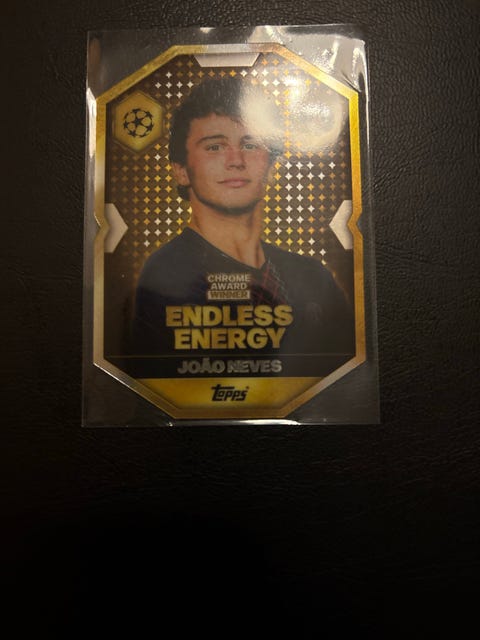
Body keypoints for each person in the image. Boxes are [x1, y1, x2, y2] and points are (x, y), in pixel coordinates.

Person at [132, 77, 354, 366]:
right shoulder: (166, 275)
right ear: (181, 171)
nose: (235, 160)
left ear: (271, 166)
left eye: (250, 144)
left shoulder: (313, 277)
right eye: (214, 147)